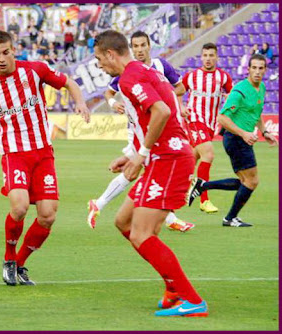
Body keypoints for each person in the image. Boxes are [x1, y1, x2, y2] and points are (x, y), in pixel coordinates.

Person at [0, 31, 90, 286]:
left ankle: (20, 262)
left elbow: (69, 83)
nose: (1, 58)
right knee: (19, 207)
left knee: (48, 215)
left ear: (14, 50)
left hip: (43, 152)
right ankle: (9, 259)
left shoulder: (35, 70)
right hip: (14, 153)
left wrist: (81, 103)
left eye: (6, 52)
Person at [93, 30, 207, 317]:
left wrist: (141, 153)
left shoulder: (131, 77)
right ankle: (172, 289)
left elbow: (161, 112)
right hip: (161, 157)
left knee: (142, 234)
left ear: (110, 54)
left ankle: (192, 300)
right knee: (124, 222)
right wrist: (132, 155)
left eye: (98, 58)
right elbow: (158, 115)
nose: (98, 65)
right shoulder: (140, 71)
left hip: (169, 159)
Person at [91, 31, 192, 232]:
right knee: (138, 175)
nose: (139, 49)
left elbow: (178, 89)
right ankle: (165, 216)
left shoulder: (160, 67)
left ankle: (165, 216)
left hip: (159, 134)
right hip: (143, 133)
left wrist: (166, 98)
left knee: (135, 224)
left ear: (148, 46)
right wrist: (113, 103)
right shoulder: (126, 75)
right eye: (135, 46)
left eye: (142, 45)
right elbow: (110, 91)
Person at [188, 54, 278, 227]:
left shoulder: (262, 88)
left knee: (246, 182)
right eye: (254, 68)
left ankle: (204, 186)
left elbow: (256, 113)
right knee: (252, 181)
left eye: (261, 68)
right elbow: (222, 118)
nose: (258, 72)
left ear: (265, 70)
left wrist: (264, 131)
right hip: (235, 139)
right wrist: (244, 133)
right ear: (248, 69)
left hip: (242, 139)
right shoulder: (239, 91)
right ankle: (229, 218)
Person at [181, 43, 233, 213]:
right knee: (209, 154)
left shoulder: (224, 77)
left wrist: (229, 100)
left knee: (189, 162)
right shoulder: (191, 76)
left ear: (216, 57)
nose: (208, 58)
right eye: (205, 55)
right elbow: (176, 92)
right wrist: (181, 107)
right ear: (201, 57)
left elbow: (232, 98)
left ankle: (173, 200)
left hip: (210, 125)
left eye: (211, 55)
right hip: (195, 120)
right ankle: (204, 199)